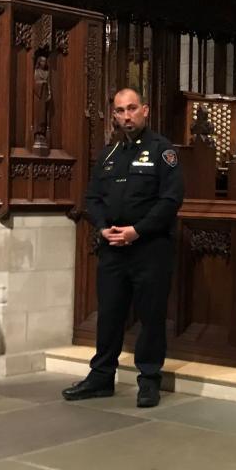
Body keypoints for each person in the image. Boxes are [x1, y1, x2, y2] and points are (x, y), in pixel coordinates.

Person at [63, 87, 184, 408]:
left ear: (145, 110)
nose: (126, 116)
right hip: (113, 247)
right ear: (114, 115)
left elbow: (170, 201)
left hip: (150, 248)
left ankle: (148, 379)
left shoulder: (163, 151)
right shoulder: (110, 153)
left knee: (150, 316)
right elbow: (93, 198)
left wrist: (136, 231)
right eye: (120, 111)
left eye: (132, 109)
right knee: (110, 314)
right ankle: (101, 377)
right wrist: (104, 228)